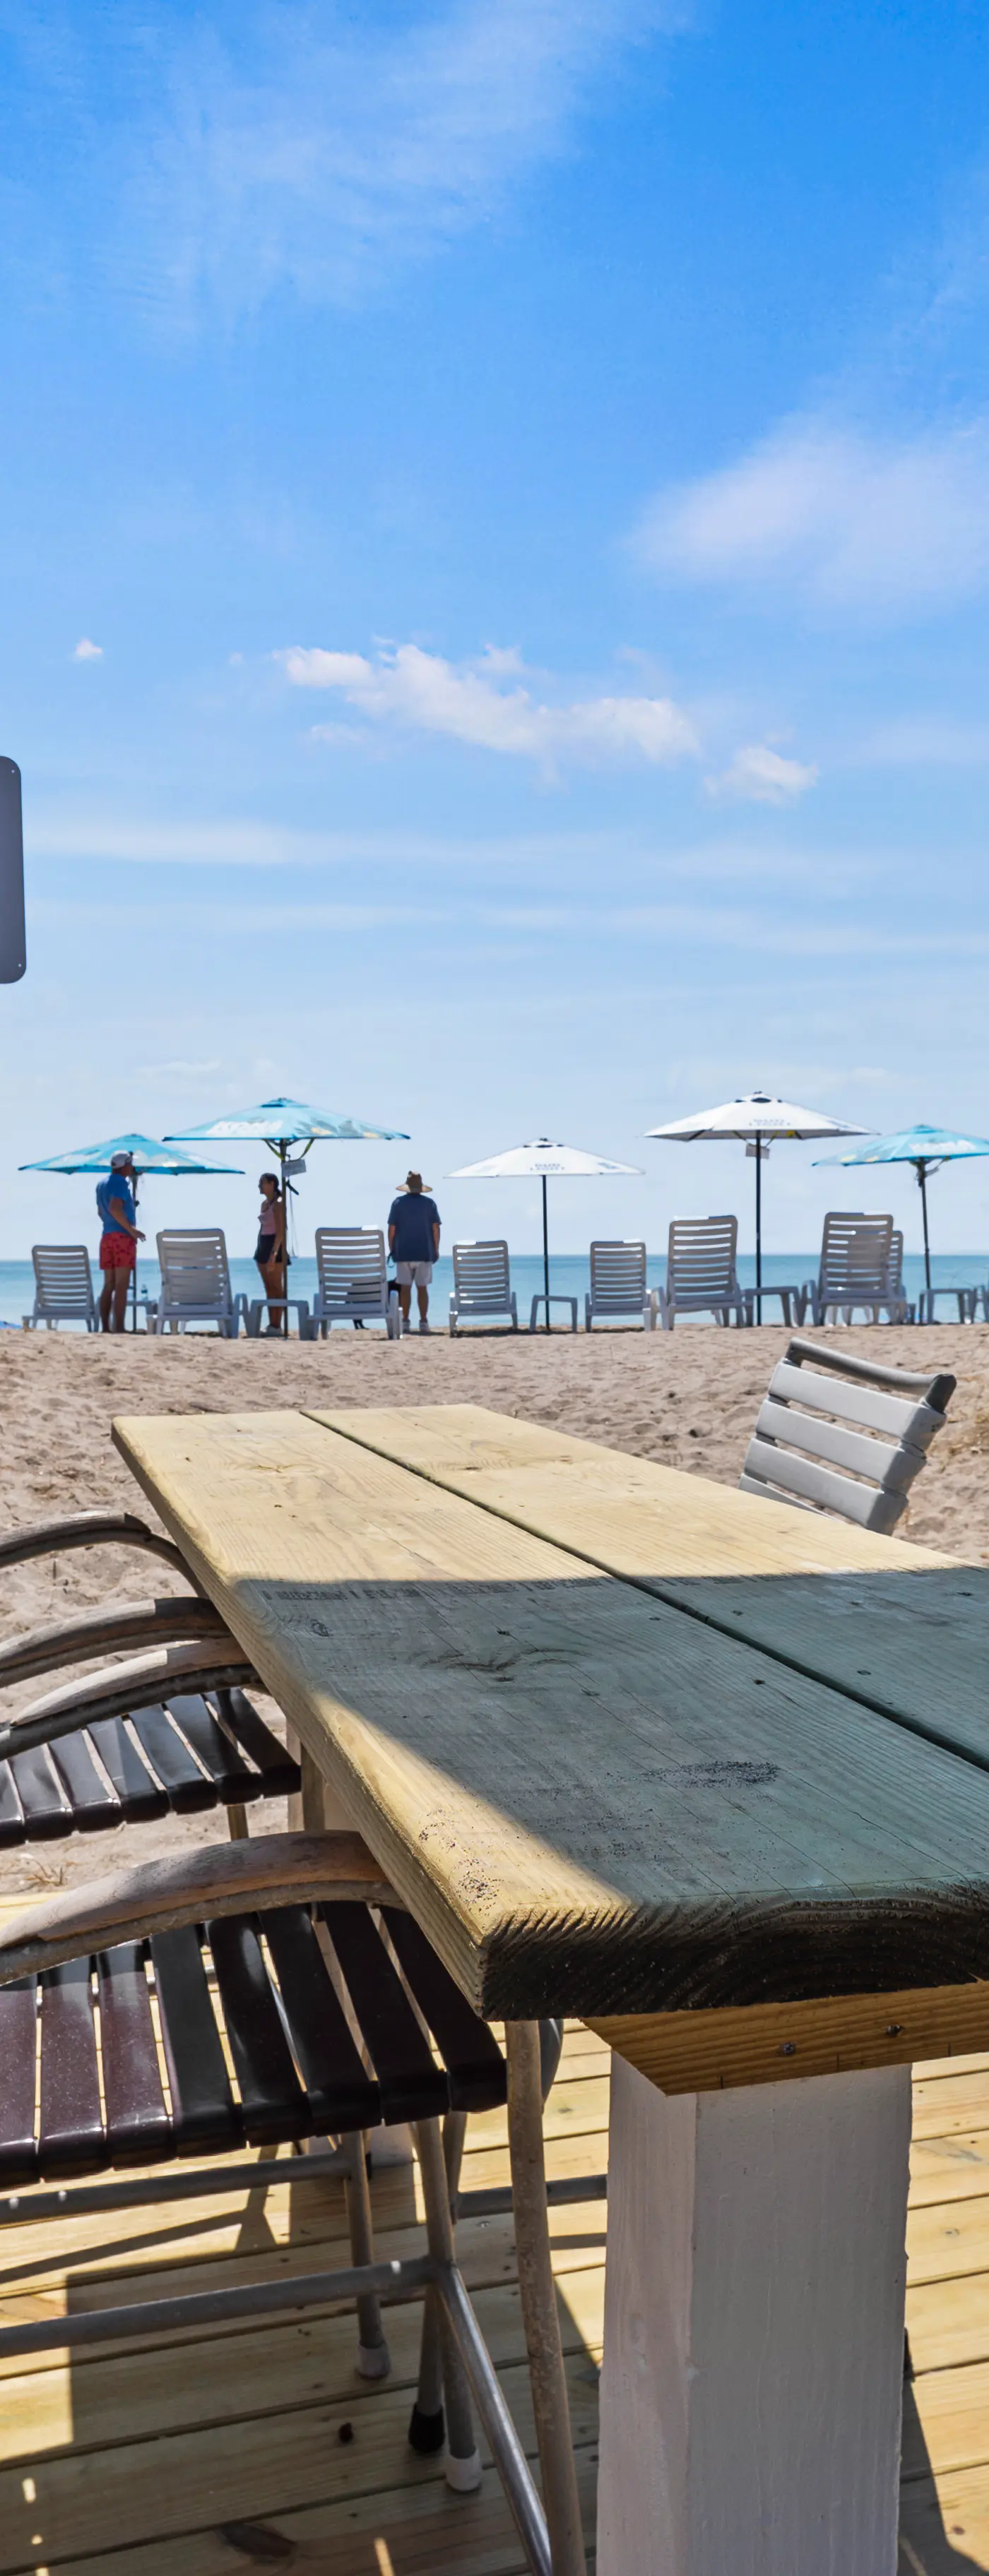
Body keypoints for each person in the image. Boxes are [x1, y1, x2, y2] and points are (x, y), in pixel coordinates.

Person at [96, 1150, 145, 1332]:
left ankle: (106, 1328)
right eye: (131, 1164)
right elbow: (115, 1208)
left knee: (108, 1284)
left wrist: (112, 1223)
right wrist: (131, 1230)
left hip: (107, 1236)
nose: (132, 1167)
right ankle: (120, 1328)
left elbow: (102, 1212)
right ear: (125, 1166)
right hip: (122, 1238)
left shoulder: (102, 1184)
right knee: (122, 1284)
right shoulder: (121, 1184)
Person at [388, 1170, 440, 1335]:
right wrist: (436, 1249)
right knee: (422, 1288)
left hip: (403, 1251)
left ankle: (405, 1321)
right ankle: (423, 1321)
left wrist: (392, 1248)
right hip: (424, 1251)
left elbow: (392, 1229)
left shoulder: (398, 1203)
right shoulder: (429, 1204)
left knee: (405, 1288)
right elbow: (435, 1228)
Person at [254, 1172, 286, 1333]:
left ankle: (277, 1324)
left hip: (275, 1246)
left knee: (276, 1287)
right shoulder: (264, 1204)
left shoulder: (279, 1203)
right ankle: (271, 1324)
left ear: (272, 1184)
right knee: (268, 1288)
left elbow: (281, 1231)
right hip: (263, 1245)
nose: (259, 1186)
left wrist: (274, 1254)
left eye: (262, 1183)